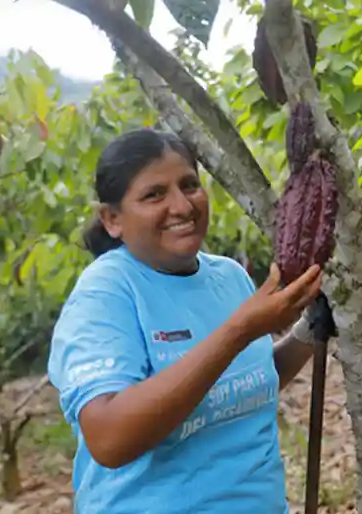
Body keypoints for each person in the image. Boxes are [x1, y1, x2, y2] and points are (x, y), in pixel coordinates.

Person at [47, 128, 331, 513]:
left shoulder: (229, 277)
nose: (181, 206)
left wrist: (310, 329)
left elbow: (245, 382)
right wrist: (239, 330)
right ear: (112, 218)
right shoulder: (106, 293)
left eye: (190, 185)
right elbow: (109, 438)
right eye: (154, 194)